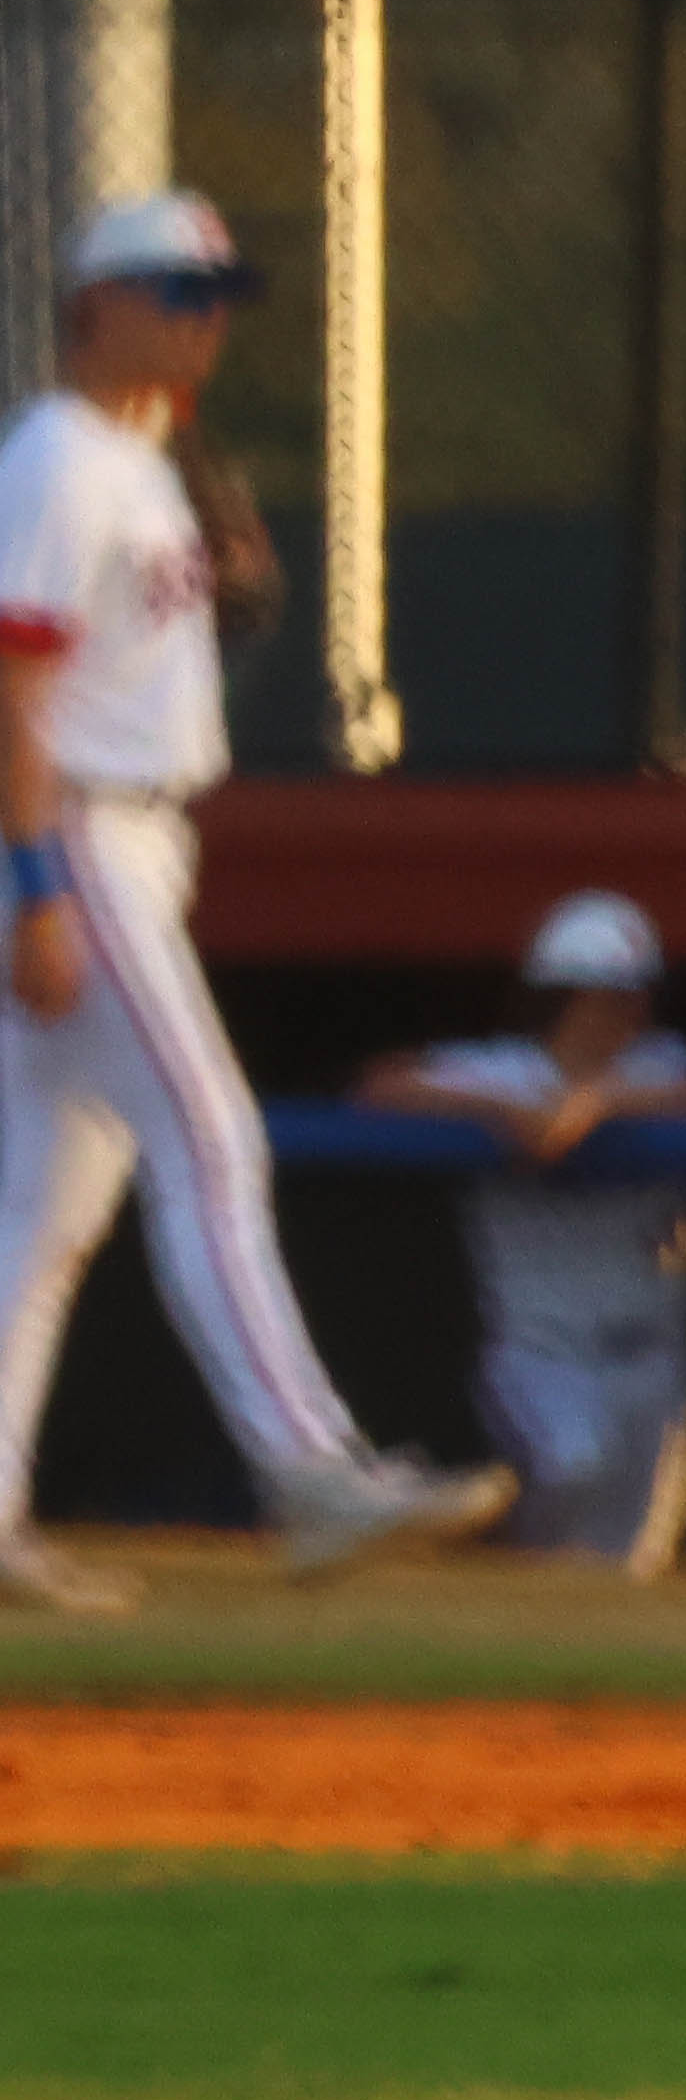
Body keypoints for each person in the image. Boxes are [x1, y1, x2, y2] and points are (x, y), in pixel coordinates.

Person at [0, 188, 513, 1609]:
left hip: (132, 833)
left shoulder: (140, 458)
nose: (203, 316)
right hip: (77, 837)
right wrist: (33, 883)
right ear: (93, 304)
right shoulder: (57, 455)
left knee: (42, 1209)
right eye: (174, 290)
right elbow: (10, 688)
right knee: (212, 1138)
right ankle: (309, 1463)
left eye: (215, 293)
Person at [352, 890, 686, 1573]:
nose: (626, 1010)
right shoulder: (503, 1071)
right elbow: (378, 1087)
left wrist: (595, 1106)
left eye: (634, 994)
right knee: (573, 1469)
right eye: (606, 993)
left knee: (634, 1563)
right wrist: (501, 1111)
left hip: (652, 1353)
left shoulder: (659, 1067)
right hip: (541, 1350)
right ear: (560, 994)